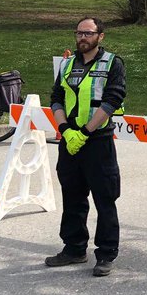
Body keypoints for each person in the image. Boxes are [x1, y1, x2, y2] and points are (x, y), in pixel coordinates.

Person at [45, 16, 126, 277]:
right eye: (79, 33)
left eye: (89, 33)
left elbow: (112, 100)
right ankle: (74, 248)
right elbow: (56, 98)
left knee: (105, 198)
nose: (83, 38)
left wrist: (85, 132)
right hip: (70, 141)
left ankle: (105, 254)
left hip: (97, 141)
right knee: (72, 196)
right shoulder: (68, 65)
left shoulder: (112, 63)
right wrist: (66, 131)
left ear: (100, 36)